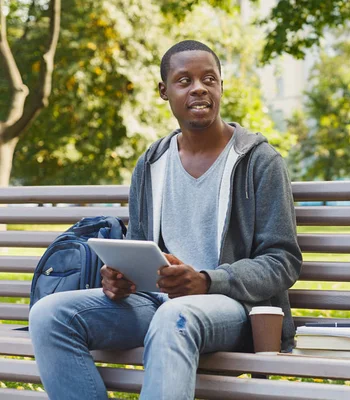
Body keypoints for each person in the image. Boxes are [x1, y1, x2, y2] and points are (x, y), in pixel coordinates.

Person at [28, 40, 302, 400]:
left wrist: (206, 280)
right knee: (49, 315)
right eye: (184, 80)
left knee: (175, 318)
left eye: (209, 79)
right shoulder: (151, 164)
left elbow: (282, 262)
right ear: (164, 91)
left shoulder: (258, 161)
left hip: (235, 308)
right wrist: (120, 277)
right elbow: (141, 245)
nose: (199, 88)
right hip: (159, 303)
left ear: (221, 86)